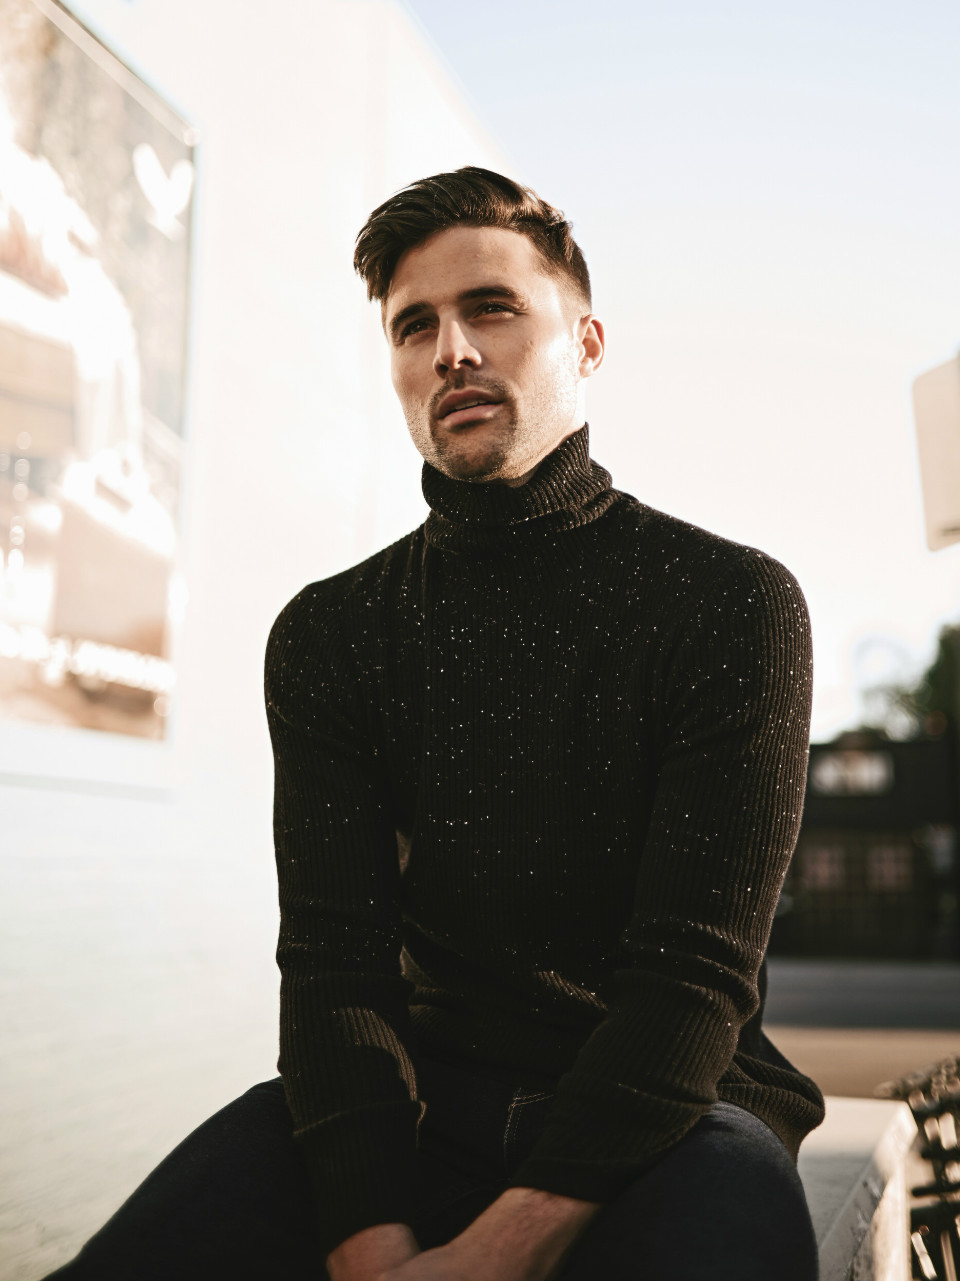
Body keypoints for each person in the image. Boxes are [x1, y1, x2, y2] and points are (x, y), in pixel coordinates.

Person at [48, 168, 824, 1281]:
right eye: (415, 327)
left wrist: (493, 1256)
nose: (451, 350)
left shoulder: (729, 603)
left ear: (588, 344)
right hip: (421, 1102)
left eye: (491, 309)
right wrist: (369, 1243)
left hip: (675, 1119)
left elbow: (691, 981)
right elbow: (336, 970)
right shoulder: (332, 633)